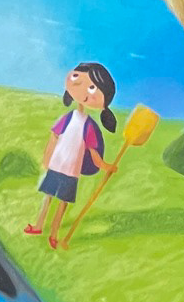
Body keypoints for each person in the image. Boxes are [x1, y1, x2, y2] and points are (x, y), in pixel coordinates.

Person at [26, 61, 117, 248]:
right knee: (48, 197)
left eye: (92, 87)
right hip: (57, 165)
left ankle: (54, 234)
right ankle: (39, 226)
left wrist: (105, 166)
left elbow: (93, 152)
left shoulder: (89, 126)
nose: (82, 89)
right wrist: (47, 158)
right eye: (77, 77)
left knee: (62, 203)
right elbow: (54, 137)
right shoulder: (67, 118)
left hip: (71, 171)